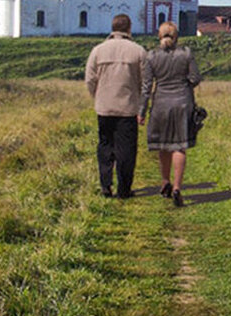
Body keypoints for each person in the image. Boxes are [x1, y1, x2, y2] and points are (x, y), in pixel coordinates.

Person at [140, 21, 202, 207]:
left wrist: (141, 111)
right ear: (177, 37)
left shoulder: (151, 57)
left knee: (163, 145)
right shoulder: (187, 54)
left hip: (160, 104)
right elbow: (195, 78)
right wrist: (186, 85)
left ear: (159, 36)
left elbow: (146, 87)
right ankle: (177, 187)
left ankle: (165, 181)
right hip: (183, 103)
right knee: (179, 146)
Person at [85, 14, 146, 198]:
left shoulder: (97, 50)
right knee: (126, 149)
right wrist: (141, 104)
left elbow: (90, 79)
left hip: (104, 106)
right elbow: (145, 82)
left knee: (105, 146)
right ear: (129, 28)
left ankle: (105, 184)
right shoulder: (138, 51)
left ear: (112, 28)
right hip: (127, 108)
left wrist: (97, 96)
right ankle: (124, 189)